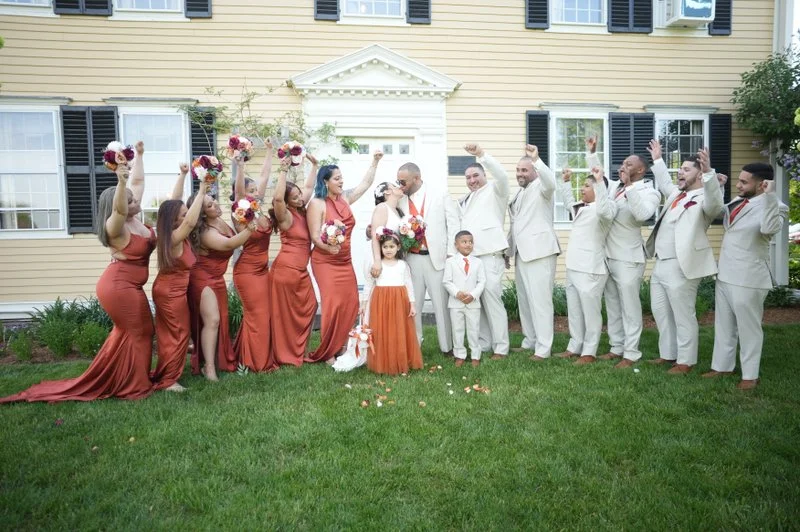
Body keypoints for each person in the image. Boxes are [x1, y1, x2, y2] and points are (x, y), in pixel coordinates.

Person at [2, 142, 155, 403]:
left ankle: (124, 376)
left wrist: (138, 156)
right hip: (118, 286)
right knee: (140, 331)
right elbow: (119, 207)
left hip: (130, 285)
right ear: (120, 204)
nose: (136, 200)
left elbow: (138, 182)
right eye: (131, 199)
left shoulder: (134, 218)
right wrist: (120, 182)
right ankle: (135, 387)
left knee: (136, 331)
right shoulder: (115, 226)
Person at [703, 163, 788, 390]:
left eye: (743, 182)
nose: (738, 185)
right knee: (724, 325)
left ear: (762, 185)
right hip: (726, 273)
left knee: (749, 329)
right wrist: (715, 184)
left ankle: (750, 375)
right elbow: (715, 210)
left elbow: (768, 229)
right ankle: (722, 366)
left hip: (750, 278)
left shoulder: (777, 206)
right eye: (738, 180)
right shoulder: (738, 201)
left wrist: (770, 197)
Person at [644, 141, 726, 374]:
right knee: (660, 311)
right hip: (661, 262)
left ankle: (686, 361)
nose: (680, 171)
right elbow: (663, 182)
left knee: (683, 314)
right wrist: (658, 159)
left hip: (683, 265)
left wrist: (710, 172)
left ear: (700, 175)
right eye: (680, 169)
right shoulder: (676, 195)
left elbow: (715, 205)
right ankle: (667, 354)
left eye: (686, 169)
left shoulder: (707, 198)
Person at [305, 150, 383, 363]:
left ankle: (341, 345)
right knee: (332, 304)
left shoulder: (345, 198)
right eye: (337, 178)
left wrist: (375, 162)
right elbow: (314, 236)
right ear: (326, 181)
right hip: (325, 260)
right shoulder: (316, 204)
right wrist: (327, 248)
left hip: (344, 260)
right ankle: (327, 351)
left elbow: (365, 185)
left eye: (342, 178)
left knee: (350, 302)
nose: (342, 181)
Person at [187, 171, 254, 381]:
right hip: (202, 278)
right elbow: (228, 244)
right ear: (202, 213)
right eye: (208, 205)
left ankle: (218, 360)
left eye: (213, 199)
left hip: (217, 278)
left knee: (218, 320)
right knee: (213, 320)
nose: (215, 204)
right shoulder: (206, 231)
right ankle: (209, 368)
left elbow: (240, 197)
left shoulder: (222, 222)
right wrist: (250, 229)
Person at [599, 142, 660, 368]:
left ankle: (631, 352)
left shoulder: (649, 192)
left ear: (640, 170)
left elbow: (642, 214)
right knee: (613, 304)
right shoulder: (615, 188)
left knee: (630, 308)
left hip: (629, 258)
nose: (623, 167)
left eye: (628, 164)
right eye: (623, 163)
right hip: (608, 256)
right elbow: (598, 178)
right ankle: (616, 347)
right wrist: (592, 154)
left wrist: (629, 187)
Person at [150, 164, 209, 392]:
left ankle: (168, 372)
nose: (187, 214)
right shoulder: (174, 237)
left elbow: (171, 204)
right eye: (183, 214)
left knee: (170, 334)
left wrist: (183, 176)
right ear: (175, 221)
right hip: (170, 292)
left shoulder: (170, 233)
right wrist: (202, 190)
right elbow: (189, 221)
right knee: (179, 333)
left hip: (169, 290)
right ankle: (169, 381)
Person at [396, 162, 459, 356]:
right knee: (413, 305)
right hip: (412, 259)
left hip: (436, 258)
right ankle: (415, 346)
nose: (400, 185)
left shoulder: (440, 194)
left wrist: (450, 254)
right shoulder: (400, 201)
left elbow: (453, 223)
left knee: (441, 305)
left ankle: (447, 346)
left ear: (416, 178)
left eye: (403, 181)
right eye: (398, 181)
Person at [556, 165, 616, 364]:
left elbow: (604, 208)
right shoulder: (582, 208)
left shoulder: (605, 210)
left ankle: (590, 351)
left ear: (599, 189)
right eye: (582, 185)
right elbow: (567, 203)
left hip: (591, 267)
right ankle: (575, 345)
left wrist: (599, 183)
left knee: (591, 313)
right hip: (573, 266)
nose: (582, 189)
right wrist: (565, 182)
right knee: (574, 310)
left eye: (587, 186)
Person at [506, 144, 560, 361]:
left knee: (541, 301)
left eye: (525, 170)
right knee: (525, 300)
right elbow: (515, 224)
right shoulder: (520, 192)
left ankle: (544, 348)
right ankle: (530, 340)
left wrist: (537, 159)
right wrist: (508, 251)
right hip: (522, 253)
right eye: (518, 170)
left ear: (535, 171)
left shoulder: (542, 188)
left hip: (540, 252)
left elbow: (551, 182)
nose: (520, 174)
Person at [458, 143, 511, 360]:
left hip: (490, 255)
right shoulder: (466, 199)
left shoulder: (496, 191)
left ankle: (501, 347)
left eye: (475, 175)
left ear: (483, 175)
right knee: (477, 302)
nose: (472, 180)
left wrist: (482, 155)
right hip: (471, 258)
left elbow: (503, 176)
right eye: (468, 177)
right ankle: (484, 343)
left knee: (492, 299)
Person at [269, 151, 318, 366]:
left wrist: (314, 166)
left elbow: (308, 189)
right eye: (295, 196)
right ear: (288, 200)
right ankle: (287, 355)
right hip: (286, 270)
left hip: (300, 270)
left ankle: (299, 350)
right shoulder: (286, 215)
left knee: (311, 305)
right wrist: (283, 170)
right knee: (285, 315)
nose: (300, 197)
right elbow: (277, 197)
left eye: (299, 194)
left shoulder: (300, 210)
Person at [231, 147, 276, 373]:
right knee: (257, 315)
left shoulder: (259, 212)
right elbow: (239, 192)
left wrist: (269, 152)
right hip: (247, 272)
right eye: (251, 190)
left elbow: (266, 176)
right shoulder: (241, 212)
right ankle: (255, 363)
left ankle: (246, 355)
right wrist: (240, 166)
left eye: (256, 190)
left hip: (262, 271)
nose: (255, 192)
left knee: (263, 315)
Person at [360, 230, 423, 375]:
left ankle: (400, 359)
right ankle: (384, 361)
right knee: (383, 329)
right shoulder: (377, 265)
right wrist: (363, 303)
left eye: (391, 247)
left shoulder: (402, 265)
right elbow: (369, 284)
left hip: (399, 300)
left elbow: (409, 285)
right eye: (385, 247)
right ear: (380, 249)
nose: (388, 250)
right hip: (381, 300)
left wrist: (412, 304)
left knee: (398, 329)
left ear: (398, 247)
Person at [443, 231, 486, 367]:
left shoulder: (478, 262)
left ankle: (475, 355)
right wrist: (457, 293)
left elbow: (482, 281)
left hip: (473, 303)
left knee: (474, 329)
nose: (468, 244)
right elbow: (447, 281)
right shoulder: (450, 262)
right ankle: (460, 354)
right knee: (457, 330)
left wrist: (473, 295)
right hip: (456, 303)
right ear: (456, 245)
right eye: (464, 241)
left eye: (470, 242)